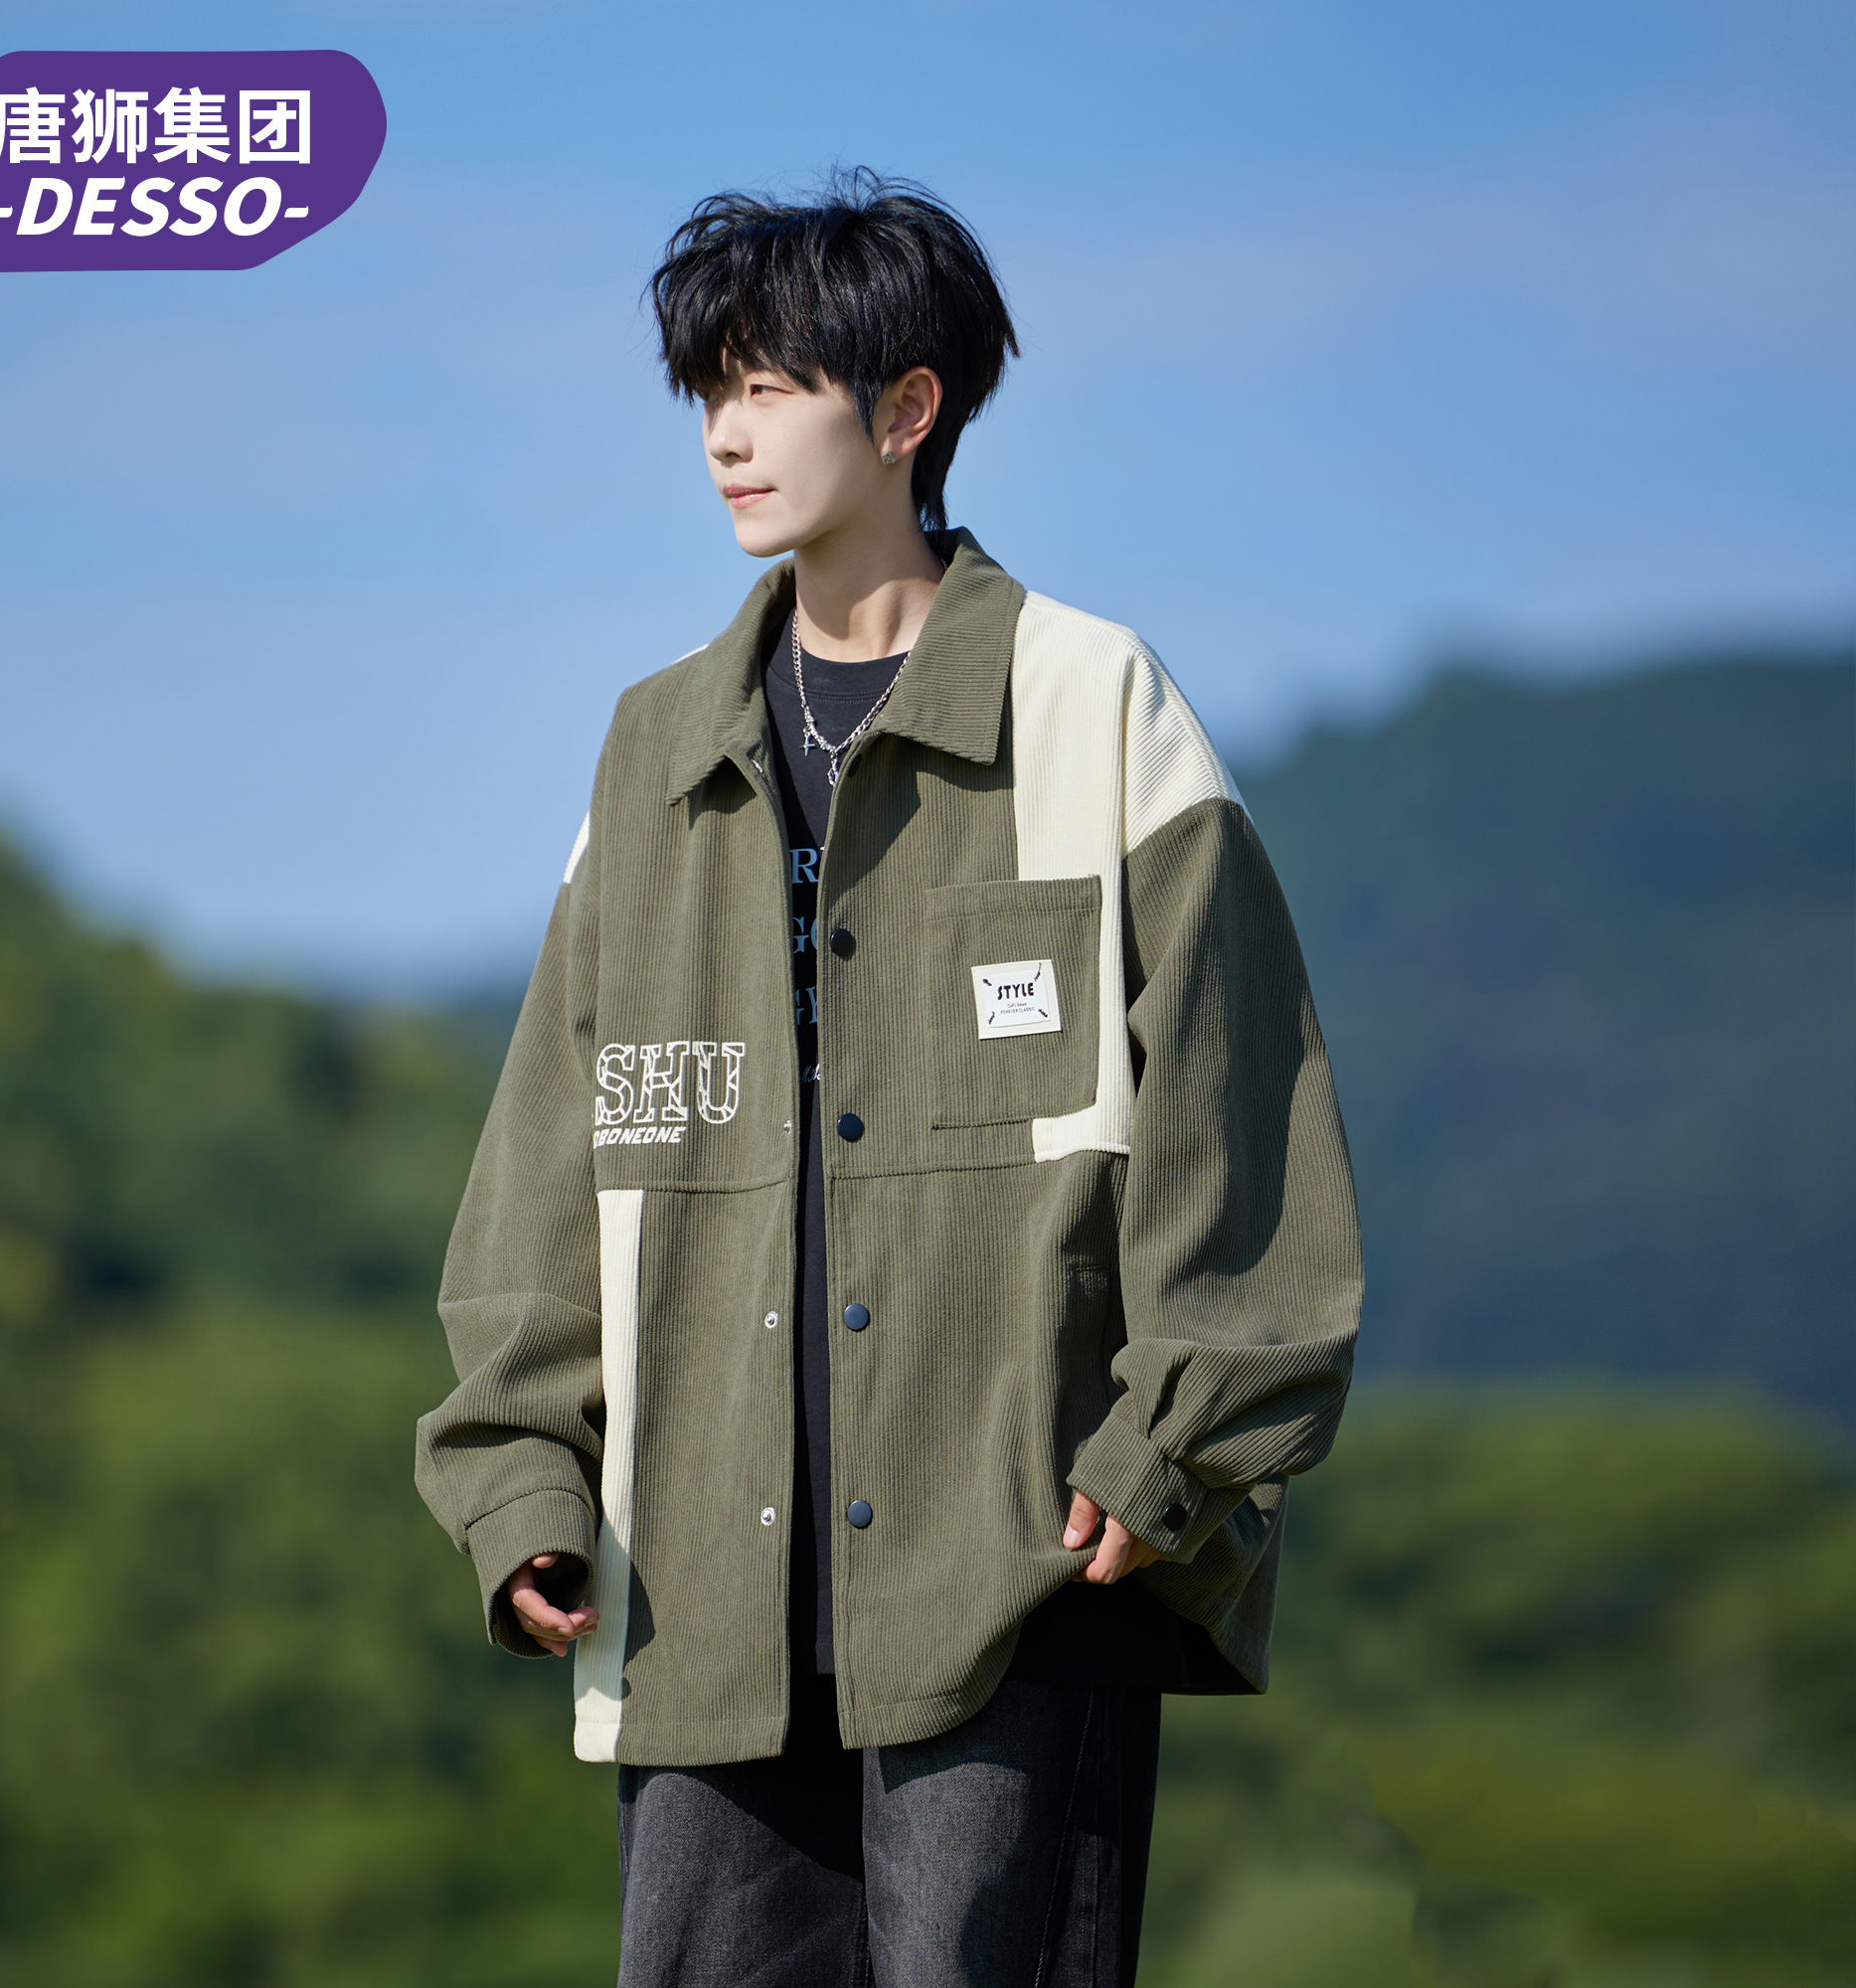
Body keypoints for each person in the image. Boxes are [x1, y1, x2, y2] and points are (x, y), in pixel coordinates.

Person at [416, 170, 1362, 1988]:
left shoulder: (1094, 703)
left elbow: (1237, 1125)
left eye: (768, 388)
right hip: (698, 1600)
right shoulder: (651, 751)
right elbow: (557, 1153)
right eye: (710, 392)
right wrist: (522, 1481)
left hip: (1019, 1582)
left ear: (908, 406)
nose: (725, 435)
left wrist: (1166, 1448)